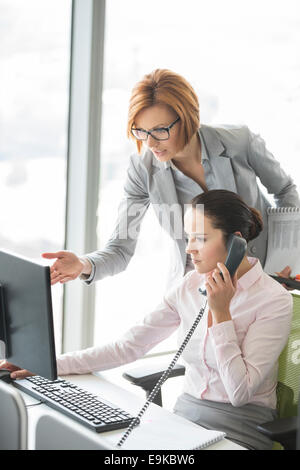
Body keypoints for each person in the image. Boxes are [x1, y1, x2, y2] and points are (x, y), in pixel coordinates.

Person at [2, 190, 293, 450]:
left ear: (235, 244)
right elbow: (128, 346)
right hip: (184, 421)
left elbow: (240, 393)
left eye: (201, 239)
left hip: (241, 430)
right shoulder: (191, 285)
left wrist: (221, 314)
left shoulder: (273, 300)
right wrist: (50, 365)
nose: (189, 248)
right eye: (188, 237)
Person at [42, 69, 299, 288]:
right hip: (198, 292)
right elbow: (121, 247)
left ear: (188, 118)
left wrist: (283, 260)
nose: (150, 143)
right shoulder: (142, 170)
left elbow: (286, 191)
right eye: (141, 131)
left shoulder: (240, 143)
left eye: (160, 130)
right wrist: (84, 265)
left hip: (264, 278)